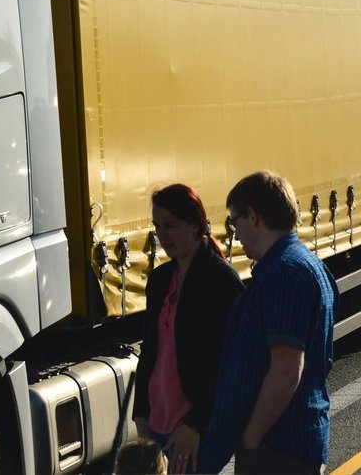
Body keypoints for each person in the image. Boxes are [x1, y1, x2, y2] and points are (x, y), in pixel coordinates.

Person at [199, 171, 340, 474]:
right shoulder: (308, 264)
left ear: (253, 216)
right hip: (295, 441)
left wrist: (251, 438)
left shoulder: (284, 272)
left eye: (234, 221)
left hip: (279, 447)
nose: (234, 234)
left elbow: (287, 369)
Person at [133, 184, 245, 474]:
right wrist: (140, 412)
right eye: (157, 226)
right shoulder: (159, 279)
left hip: (194, 427)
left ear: (196, 226)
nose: (162, 235)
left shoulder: (221, 281)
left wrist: (195, 425)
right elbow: (150, 350)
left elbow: (228, 364)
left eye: (170, 226)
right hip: (156, 423)